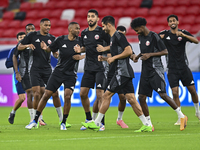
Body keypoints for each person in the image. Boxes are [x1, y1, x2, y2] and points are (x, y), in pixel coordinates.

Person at [82, 16, 152, 132]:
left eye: (103, 25)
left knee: (106, 95)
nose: (103, 28)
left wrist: (114, 57)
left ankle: (97, 122)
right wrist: (105, 59)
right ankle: (146, 124)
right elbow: (118, 55)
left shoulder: (118, 36)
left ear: (108, 25)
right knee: (131, 99)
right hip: (124, 72)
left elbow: (128, 50)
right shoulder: (112, 38)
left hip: (122, 72)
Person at [130, 17, 187, 131]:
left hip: (156, 69)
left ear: (142, 27)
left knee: (163, 94)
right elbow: (145, 50)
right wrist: (138, 56)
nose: (136, 32)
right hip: (145, 70)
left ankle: (182, 116)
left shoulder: (154, 36)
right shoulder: (141, 37)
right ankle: (148, 124)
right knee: (141, 97)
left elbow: (165, 51)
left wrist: (150, 55)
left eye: (137, 30)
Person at [25, 22, 85, 130]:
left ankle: (63, 122)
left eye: (79, 28)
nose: (78, 30)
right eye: (77, 28)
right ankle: (35, 120)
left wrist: (82, 54)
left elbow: (90, 50)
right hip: (58, 72)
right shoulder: (60, 39)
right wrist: (45, 48)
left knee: (67, 96)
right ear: (70, 29)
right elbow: (50, 49)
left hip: (71, 74)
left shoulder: (80, 41)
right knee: (46, 94)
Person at [17, 18, 63, 126]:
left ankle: (62, 120)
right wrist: (27, 45)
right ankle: (35, 120)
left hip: (47, 69)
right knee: (36, 94)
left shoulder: (52, 38)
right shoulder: (32, 35)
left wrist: (55, 53)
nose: (48, 27)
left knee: (55, 93)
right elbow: (19, 46)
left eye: (49, 25)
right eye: (46, 25)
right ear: (41, 25)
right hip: (34, 69)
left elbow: (56, 54)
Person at [159, 14, 200, 125]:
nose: (172, 22)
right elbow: (154, 40)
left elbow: (196, 41)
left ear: (177, 22)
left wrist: (183, 35)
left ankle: (197, 111)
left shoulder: (183, 32)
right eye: (170, 21)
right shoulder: (165, 34)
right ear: (168, 23)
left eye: (174, 20)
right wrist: (159, 38)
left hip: (184, 68)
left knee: (192, 91)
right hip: (171, 69)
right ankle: (180, 116)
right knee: (175, 93)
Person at [74, 9, 110, 131]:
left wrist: (104, 49)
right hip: (88, 68)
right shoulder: (84, 33)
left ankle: (101, 122)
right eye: (88, 16)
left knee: (100, 95)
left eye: (92, 16)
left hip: (100, 67)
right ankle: (89, 119)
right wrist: (80, 50)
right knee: (83, 94)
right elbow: (85, 47)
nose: (90, 18)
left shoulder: (102, 31)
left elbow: (114, 44)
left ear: (97, 19)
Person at [97, 25, 131, 128]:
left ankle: (119, 119)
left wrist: (133, 56)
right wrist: (104, 58)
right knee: (102, 97)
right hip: (110, 73)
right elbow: (110, 56)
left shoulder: (124, 44)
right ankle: (94, 120)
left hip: (119, 72)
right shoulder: (112, 39)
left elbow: (130, 52)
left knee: (123, 97)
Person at [12, 24, 35, 124]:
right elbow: (12, 58)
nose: (30, 31)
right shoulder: (20, 45)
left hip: (35, 72)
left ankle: (38, 118)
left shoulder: (38, 40)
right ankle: (31, 118)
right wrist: (17, 72)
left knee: (38, 94)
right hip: (23, 73)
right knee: (26, 95)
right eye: (28, 29)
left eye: (32, 29)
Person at [6, 32, 26, 124]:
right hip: (19, 77)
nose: (22, 39)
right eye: (20, 37)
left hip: (31, 75)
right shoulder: (14, 50)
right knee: (22, 98)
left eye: (24, 37)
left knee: (36, 95)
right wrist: (17, 61)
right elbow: (7, 64)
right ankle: (13, 113)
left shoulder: (30, 49)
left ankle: (39, 118)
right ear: (17, 40)